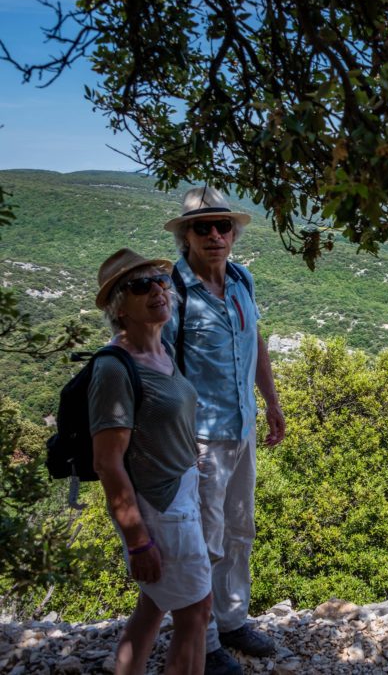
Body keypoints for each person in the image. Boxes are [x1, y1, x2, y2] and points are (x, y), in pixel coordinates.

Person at [161, 187, 286, 675]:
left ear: (234, 233)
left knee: (239, 529)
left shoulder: (242, 281)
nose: (215, 235)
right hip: (200, 438)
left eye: (223, 226)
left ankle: (233, 620)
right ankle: (205, 641)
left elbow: (253, 340)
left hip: (243, 425)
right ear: (186, 236)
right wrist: (177, 437)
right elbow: (162, 371)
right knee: (204, 540)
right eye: (203, 227)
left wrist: (271, 402)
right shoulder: (171, 293)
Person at [91, 248, 211, 674]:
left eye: (160, 281)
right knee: (196, 611)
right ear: (119, 308)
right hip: (160, 507)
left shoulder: (161, 351)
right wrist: (138, 540)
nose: (158, 290)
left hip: (180, 494)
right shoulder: (115, 369)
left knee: (154, 604)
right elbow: (108, 462)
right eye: (140, 286)